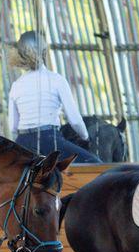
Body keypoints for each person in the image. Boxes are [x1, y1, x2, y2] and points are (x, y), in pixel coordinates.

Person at [7, 30, 100, 164]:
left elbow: (13, 127)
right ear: (45, 52)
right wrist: (85, 137)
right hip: (49, 139)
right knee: (95, 165)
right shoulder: (56, 80)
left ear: (20, 54)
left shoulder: (16, 85)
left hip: (22, 143)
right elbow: (75, 121)